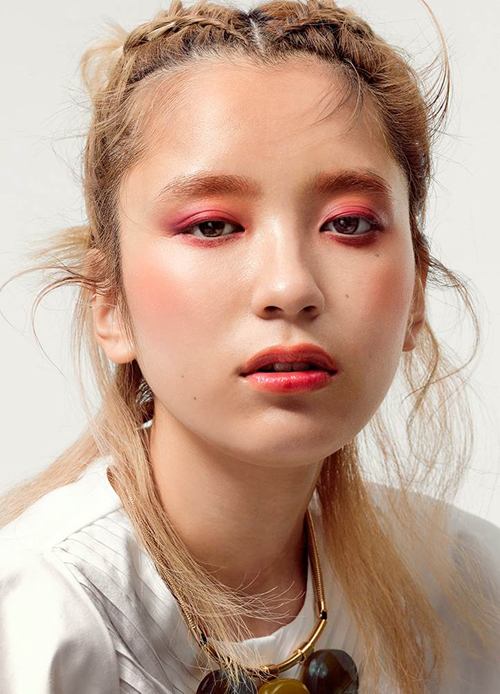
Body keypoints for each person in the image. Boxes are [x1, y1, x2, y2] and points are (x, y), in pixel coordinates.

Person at [1, 0, 499, 692]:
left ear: (416, 292)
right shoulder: (38, 623)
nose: (290, 287)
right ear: (109, 303)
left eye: (349, 223)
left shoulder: (473, 592)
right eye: (212, 226)